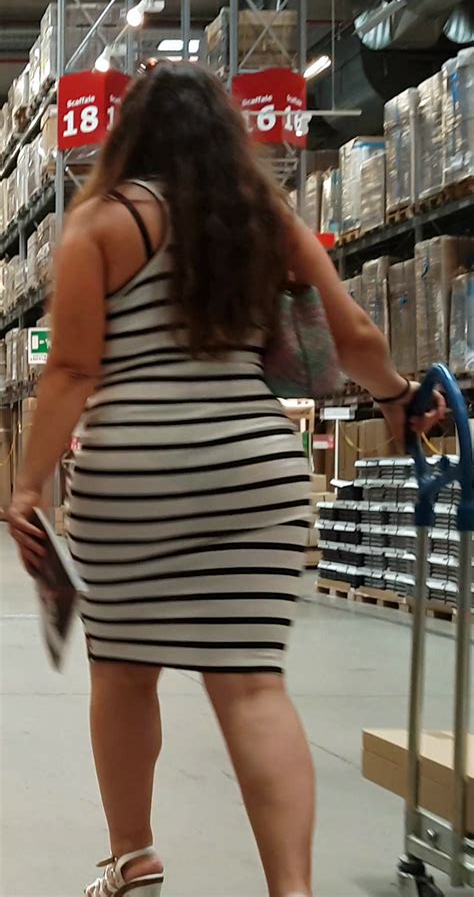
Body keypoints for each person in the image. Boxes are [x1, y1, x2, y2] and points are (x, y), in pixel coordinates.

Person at [8, 62, 444, 897]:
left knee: (123, 669)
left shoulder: (100, 222)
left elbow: (70, 370)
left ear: (130, 135)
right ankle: (293, 889)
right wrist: (397, 397)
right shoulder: (262, 219)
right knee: (251, 686)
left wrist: (28, 487)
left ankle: (134, 859)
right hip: (254, 469)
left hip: (132, 471)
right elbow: (353, 333)